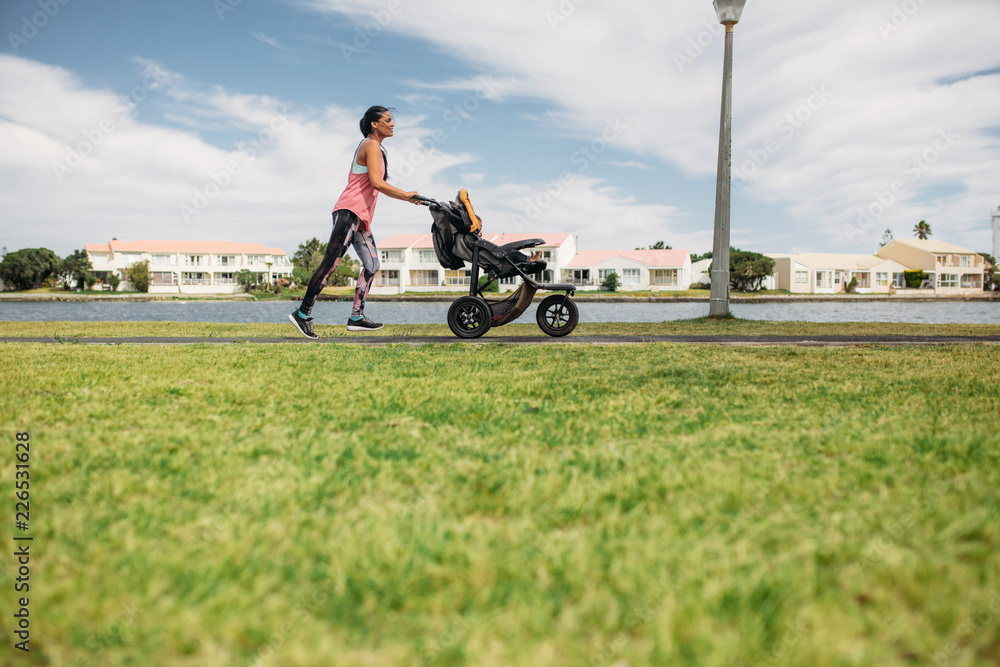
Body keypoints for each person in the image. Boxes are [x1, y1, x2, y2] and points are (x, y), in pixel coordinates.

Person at [288, 106, 419, 339]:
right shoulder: (370, 144)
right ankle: (303, 314)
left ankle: (356, 317)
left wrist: (408, 198)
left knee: (372, 265)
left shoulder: (376, 148)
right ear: (374, 124)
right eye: (388, 120)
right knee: (330, 263)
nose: (393, 124)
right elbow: (376, 183)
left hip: (361, 218)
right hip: (349, 211)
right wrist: (406, 195)